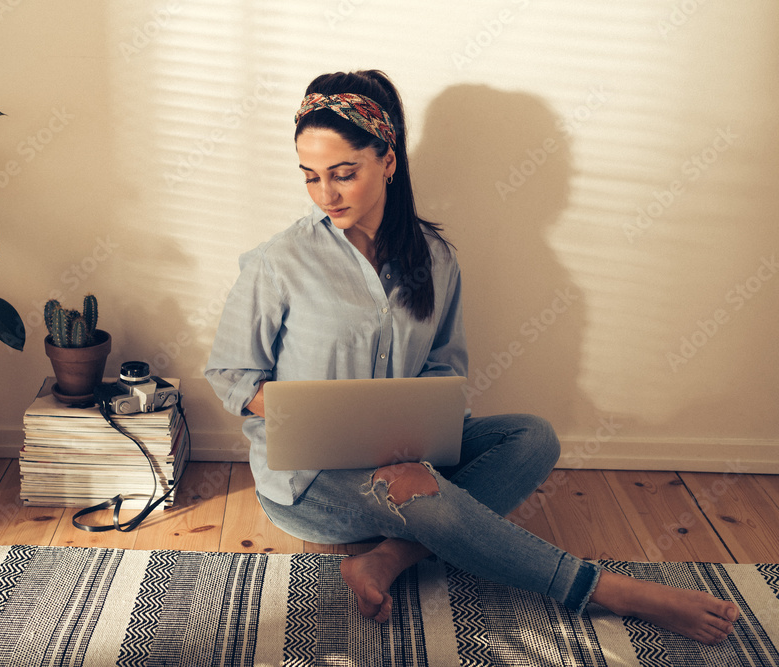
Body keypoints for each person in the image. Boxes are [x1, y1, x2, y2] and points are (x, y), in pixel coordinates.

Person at [204, 69, 739, 646]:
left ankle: (385, 559)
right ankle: (609, 590)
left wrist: (412, 441)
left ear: (387, 161)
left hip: (404, 453)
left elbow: (443, 365)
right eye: (310, 177)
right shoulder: (277, 262)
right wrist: (312, 411)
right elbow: (232, 375)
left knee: (533, 436)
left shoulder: (434, 258)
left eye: (343, 174)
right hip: (311, 481)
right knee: (428, 499)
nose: (325, 194)